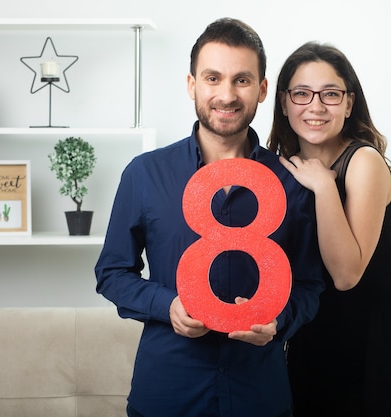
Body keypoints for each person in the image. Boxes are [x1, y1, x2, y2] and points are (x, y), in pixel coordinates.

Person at [94, 19, 325, 417]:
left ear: (263, 89)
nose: (226, 94)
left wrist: (279, 321)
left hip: (259, 396)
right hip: (168, 393)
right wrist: (167, 305)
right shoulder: (145, 173)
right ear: (192, 85)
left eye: (242, 80)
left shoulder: (292, 183)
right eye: (213, 78)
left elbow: (309, 284)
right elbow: (112, 272)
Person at [268, 41, 391, 416]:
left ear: (349, 104)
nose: (315, 106)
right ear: (284, 103)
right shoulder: (285, 168)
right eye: (302, 94)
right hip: (316, 331)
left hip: (376, 339)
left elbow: (347, 274)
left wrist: (324, 186)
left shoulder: (364, 161)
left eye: (330, 94)